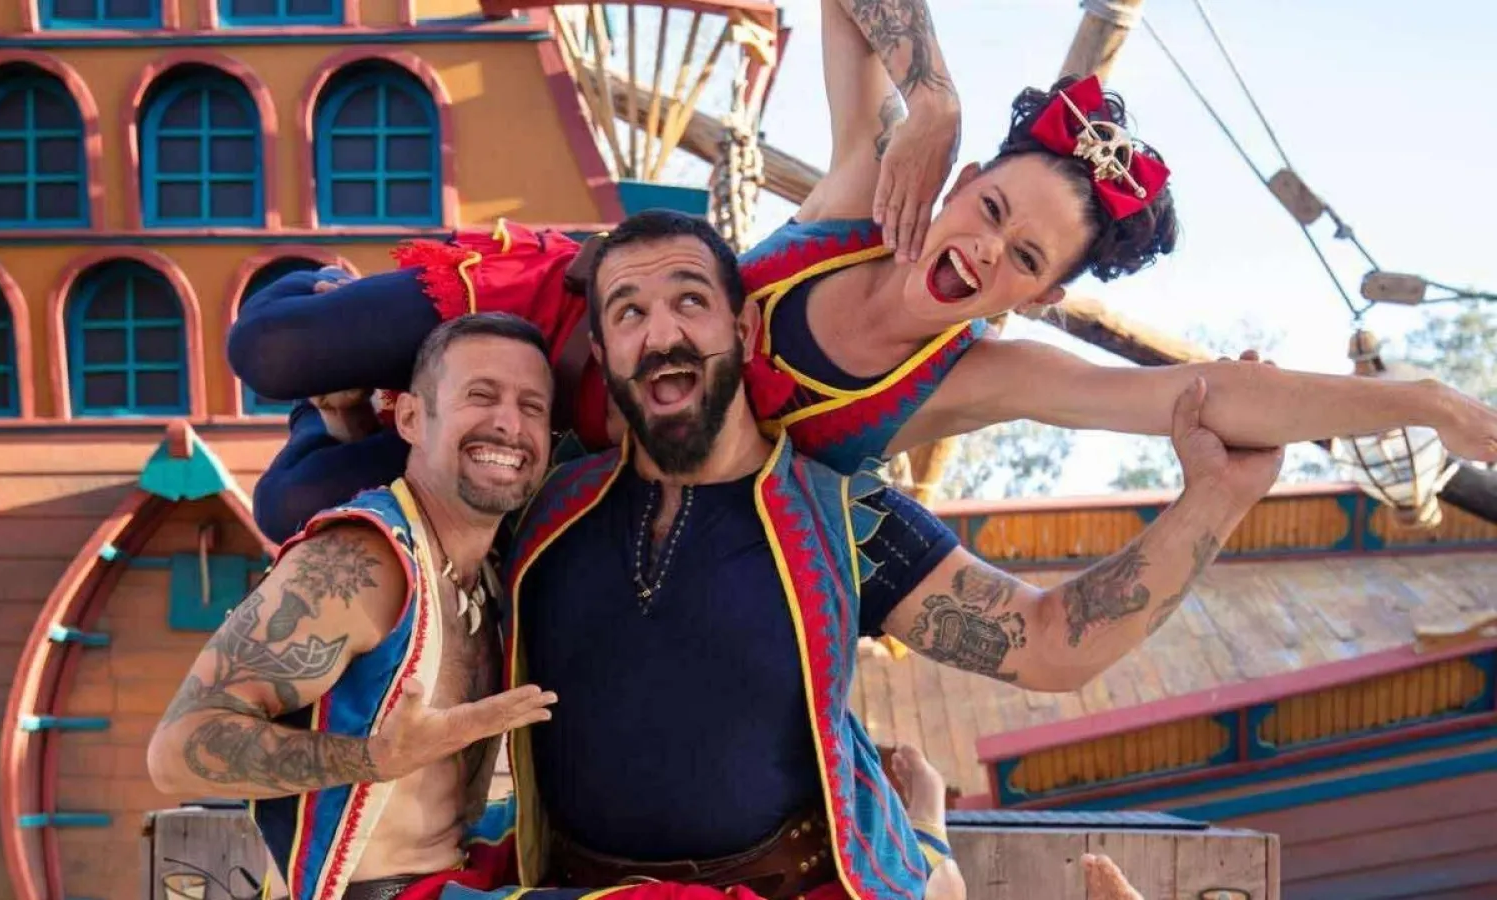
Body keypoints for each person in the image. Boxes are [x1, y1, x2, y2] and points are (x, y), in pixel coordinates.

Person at [229, 0, 1497, 545]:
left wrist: (1429, 404)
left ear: (1041, 294)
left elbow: (1210, 394)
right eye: (989, 209)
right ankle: (338, 314)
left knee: (302, 507)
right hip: (563, 315)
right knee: (269, 347)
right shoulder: (857, 201)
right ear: (962, 180)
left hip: (569, 449)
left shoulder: (970, 381)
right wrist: (929, 94)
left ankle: (352, 416)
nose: (981, 249)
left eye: (1022, 257)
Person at [464, 212, 1281, 900]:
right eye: (628, 313)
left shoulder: (844, 520)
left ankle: (925, 843)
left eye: (690, 301)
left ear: (743, 329)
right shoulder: (538, 504)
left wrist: (1217, 498)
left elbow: (1048, 643)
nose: (662, 334)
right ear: (604, 351)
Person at [146, 314, 563, 900]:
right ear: (411, 419)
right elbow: (174, 753)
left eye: (532, 406)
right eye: (480, 395)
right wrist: (375, 757)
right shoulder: (360, 562)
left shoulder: (488, 568)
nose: (508, 423)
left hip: (460, 876)